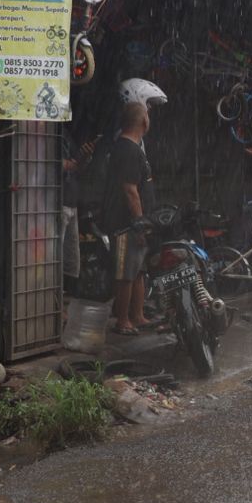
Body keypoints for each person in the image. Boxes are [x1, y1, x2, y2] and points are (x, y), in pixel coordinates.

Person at [101, 101, 155, 335]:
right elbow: (130, 190)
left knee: (139, 270)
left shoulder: (133, 148)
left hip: (136, 223)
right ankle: (122, 319)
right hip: (126, 224)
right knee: (125, 272)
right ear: (143, 121)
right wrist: (140, 223)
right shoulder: (127, 150)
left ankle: (138, 315)